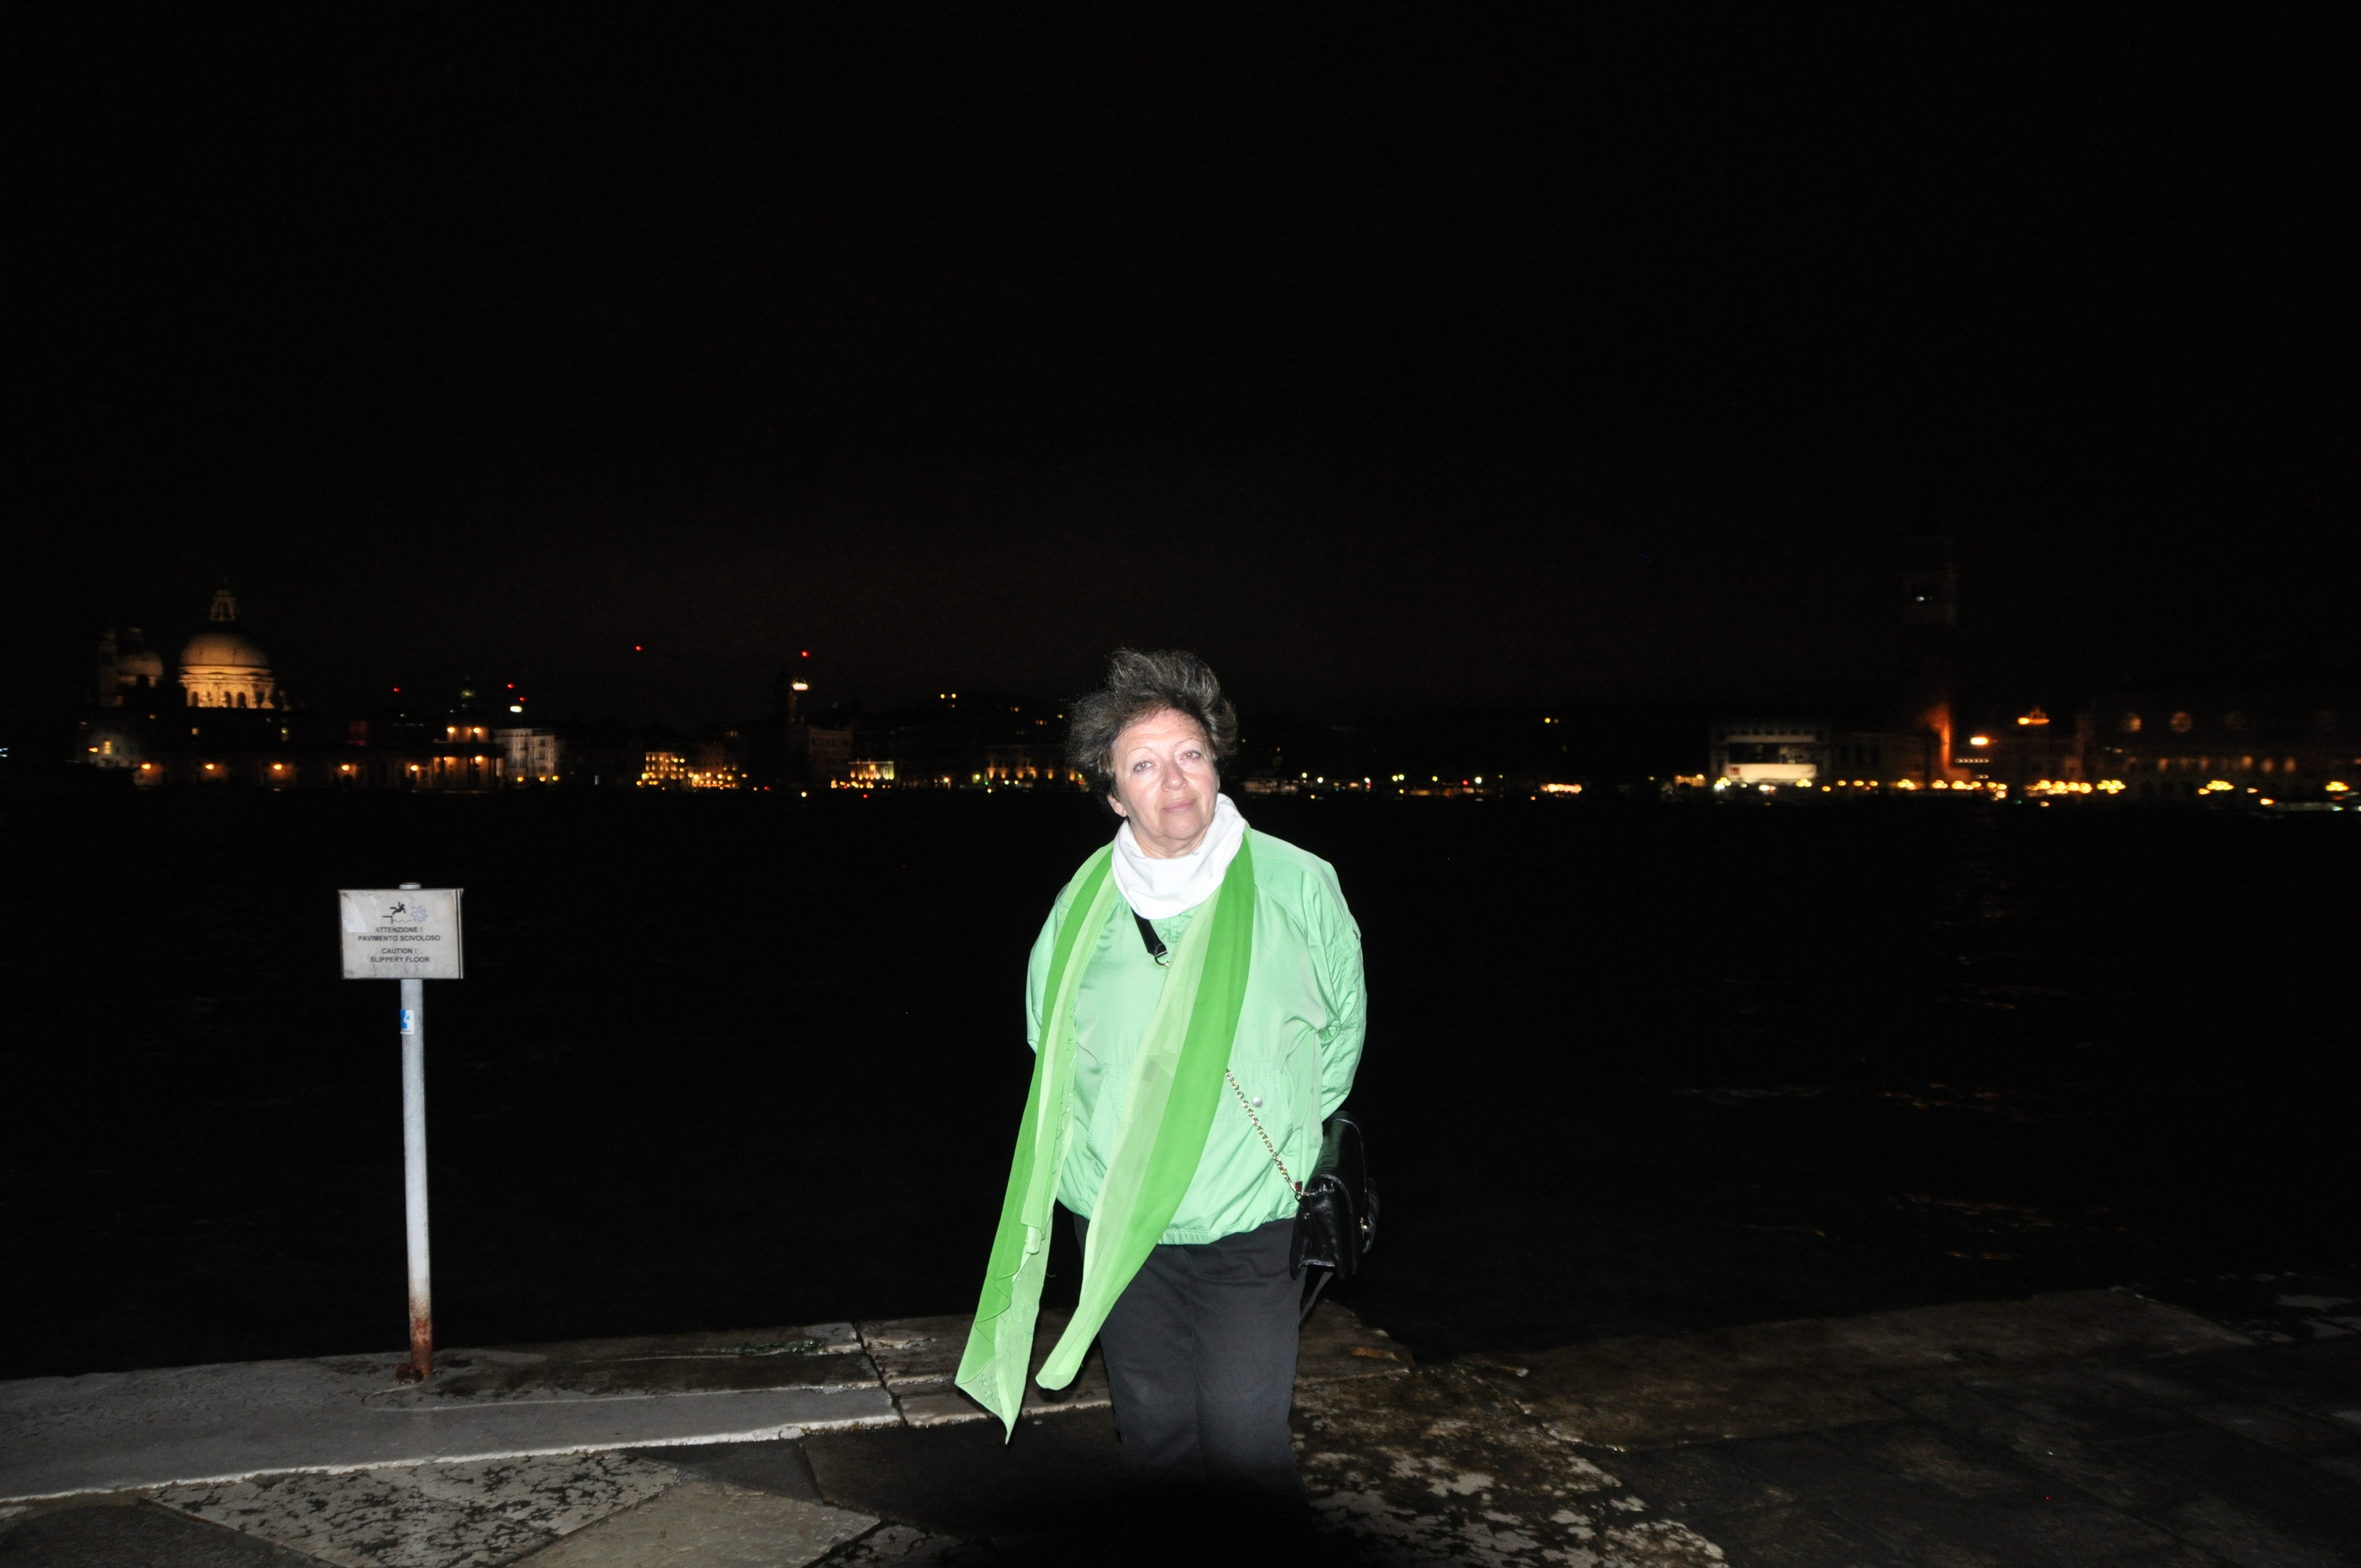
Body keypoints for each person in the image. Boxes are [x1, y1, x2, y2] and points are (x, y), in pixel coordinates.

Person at [958, 647, 1367, 1506]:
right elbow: (1049, 1040)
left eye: (1190, 755)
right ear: (1114, 794)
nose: (1173, 780)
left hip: (1250, 1219)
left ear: (1217, 767)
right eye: (1143, 765)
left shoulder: (1298, 884)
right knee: (1154, 1440)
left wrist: (1269, 1125)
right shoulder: (1083, 903)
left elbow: (1340, 1038)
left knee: (1247, 1446)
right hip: (1118, 1222)